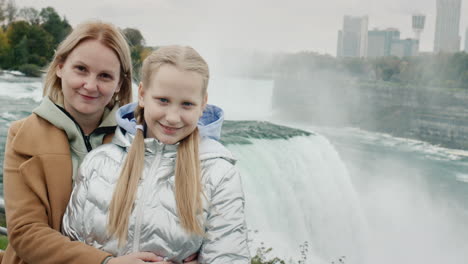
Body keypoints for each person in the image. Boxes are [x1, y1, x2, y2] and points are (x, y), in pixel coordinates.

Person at [1, 21, 181, 264]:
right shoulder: (23, 135)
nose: (90, 85)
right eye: (81, 69)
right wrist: (104, 262)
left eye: (105, 76)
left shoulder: (142, 139)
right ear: (60, 67)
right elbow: (25, 232)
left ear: (120, 83)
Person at [62, 45, 251, 263]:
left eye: (187, 104)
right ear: (142, 95)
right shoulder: (98, 162)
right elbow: (71, 248)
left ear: (203, 105)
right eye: (163, 100)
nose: (172, 117)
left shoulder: (220, 177)